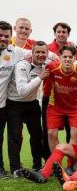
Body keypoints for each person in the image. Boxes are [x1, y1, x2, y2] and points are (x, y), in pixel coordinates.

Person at [6, 41, 49, 175]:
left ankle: (37, 165)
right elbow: (22, 91)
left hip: (32, 103)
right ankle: (15, 169)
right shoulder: (22, 66)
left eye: (43, 52)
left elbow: (58, 57)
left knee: (37, 135)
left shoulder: (46, 65)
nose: (41, 55)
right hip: (14, 103)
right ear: (32, 53)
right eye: (38, 52)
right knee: (15, 136)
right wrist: (40, 77)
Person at [0, 21, 26, 178]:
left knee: (8, 136)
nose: (3, 38)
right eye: (0, 35)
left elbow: (39, 52)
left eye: (6, 36)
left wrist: (76, 62)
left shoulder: (15, 52)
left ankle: (11, 167)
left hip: (3, 104)